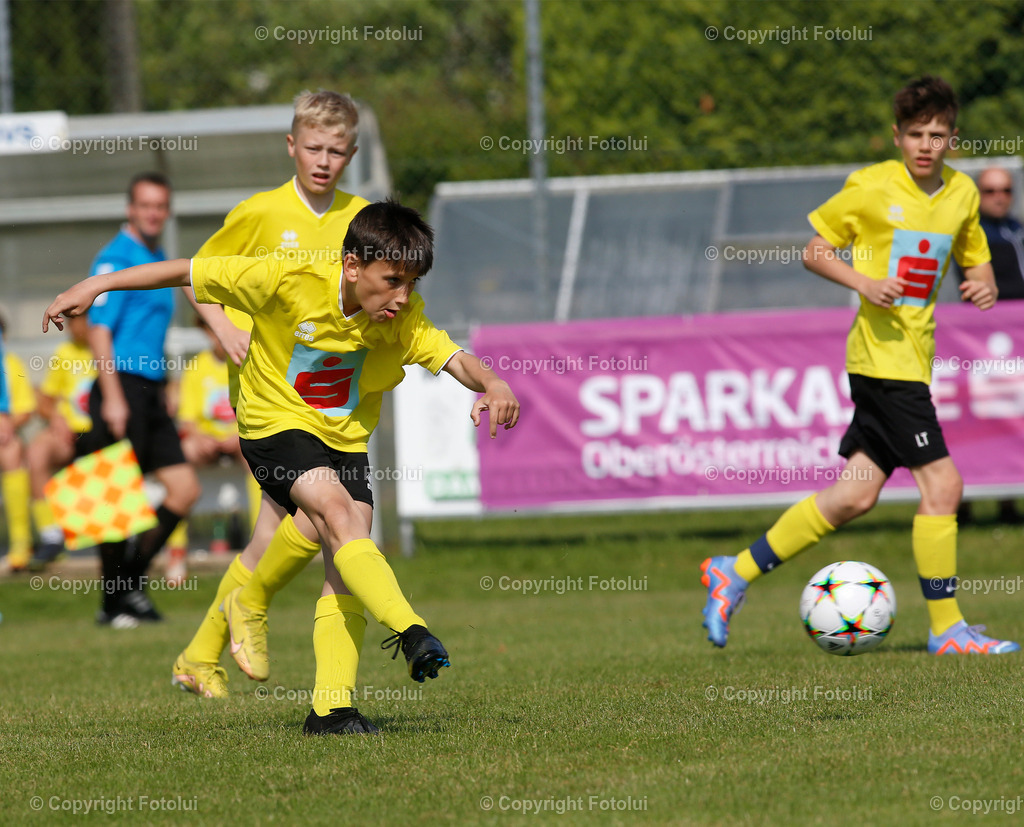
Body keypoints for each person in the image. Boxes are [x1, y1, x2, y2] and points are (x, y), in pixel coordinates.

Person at [43, 198, 521, 735]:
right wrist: (94, 286)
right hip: (273, 425)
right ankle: (413, 632)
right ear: (352, 265)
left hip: (342, 439)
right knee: (338, 515)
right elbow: (187, 271)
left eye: (411, 283)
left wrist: (495, 383)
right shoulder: (285, 277)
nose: (403, 296)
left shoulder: (402, 316)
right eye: (392, 280)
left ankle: (329, 708)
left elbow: (455, 356)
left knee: (346, 551)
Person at [700, 76, 1019, 657]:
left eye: (938, 135)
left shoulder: (962, 194)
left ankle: (735, 570)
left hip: (912, 361)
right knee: (944, 486)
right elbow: (814, 250)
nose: (927, 145)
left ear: (953, 138)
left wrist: (984, 286)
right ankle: (948, 629)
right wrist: (864, 282)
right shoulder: (870, 187)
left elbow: (977, 262)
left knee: (853, 496)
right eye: (916, 134)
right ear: (896, 136)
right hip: (880, 362)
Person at [172, 90, 370, 698]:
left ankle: (199, 655)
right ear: (291, 146)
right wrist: (225, 326)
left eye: (337, 151)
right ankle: (233, 633)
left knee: (278, 532)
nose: (323, 160)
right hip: (269, 400)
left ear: (352, 154)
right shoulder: (260, 213)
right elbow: (197, 276)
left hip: (330, 404)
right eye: (313, 147)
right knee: (312, 524)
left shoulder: (361, 218)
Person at [78, 172, 200, 628]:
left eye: (160, 206)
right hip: (120, 387)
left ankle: (127, 585)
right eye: (145, 205)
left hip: (151, 391)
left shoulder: (155, 259)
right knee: (114, 501)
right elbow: (99, 330)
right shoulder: (114, 260)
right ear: (130, 208)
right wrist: (112, 396)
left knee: (185, 490)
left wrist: (166, 389)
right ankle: (114, 604)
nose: (153, 213)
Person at [956, 166, 1024, 524]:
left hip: (1016, 349)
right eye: (991, 190)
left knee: (1012, 420)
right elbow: (977, 288)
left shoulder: (1016, 230)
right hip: (978, 348)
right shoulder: (972, 234)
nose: (1000, 196)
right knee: (972, 424)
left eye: (1006, 190)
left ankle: (1008, 501)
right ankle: (961, 504)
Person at [163, 315, 244, 575]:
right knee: (180, 456)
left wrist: (240, 434)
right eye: (211, 331)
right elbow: (187, 420)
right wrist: (200, 438)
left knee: (259, 455)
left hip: (241, 439)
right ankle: (176, 550)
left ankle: (264, 543)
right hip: (206, 443)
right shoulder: (197, 367)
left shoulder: (246, 362)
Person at [26, 313, 97, 568]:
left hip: (104, 435)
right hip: (71, 434)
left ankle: (128, 538)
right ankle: (50, 536)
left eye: (78, 318)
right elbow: (44, 403)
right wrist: (56, 417)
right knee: (37, 451)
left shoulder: (114, 349)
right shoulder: (64, 353)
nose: (72, 325)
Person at [0, 319, 34, 572]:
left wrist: (7, 424)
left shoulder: (12, 366)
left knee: (11, 450)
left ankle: (21, 544)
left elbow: (24, 410)